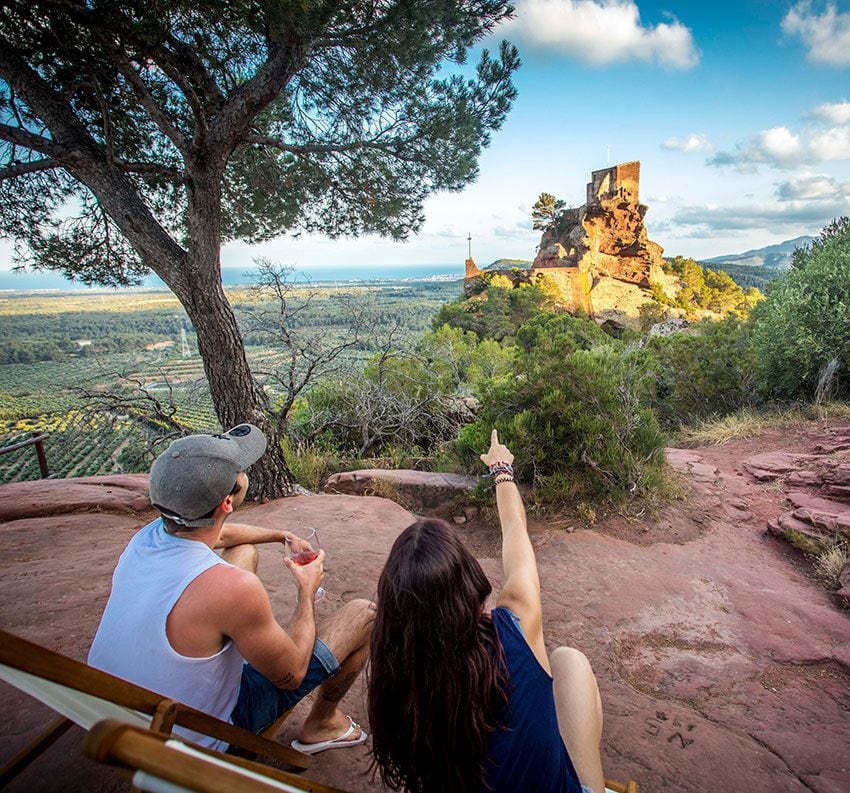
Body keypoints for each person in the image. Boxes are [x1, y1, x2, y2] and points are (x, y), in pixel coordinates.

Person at [89, 423, 373, 755]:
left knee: (244, 552)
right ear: (227, 501)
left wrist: (279, 534)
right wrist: (306, 591)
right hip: (201, 737)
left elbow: (221, 535)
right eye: (239, 468)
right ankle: (322, 725)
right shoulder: (233, 589)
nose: (243, 469)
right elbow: (292, 674)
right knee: (365, 615)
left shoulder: (149, 536)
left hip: (124, 720)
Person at [368, 429, 605, 793]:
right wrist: (501, 469)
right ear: (469, 581)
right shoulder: (514, 630)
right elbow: (515, 530)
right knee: (570, 662)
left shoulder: (395, 675)